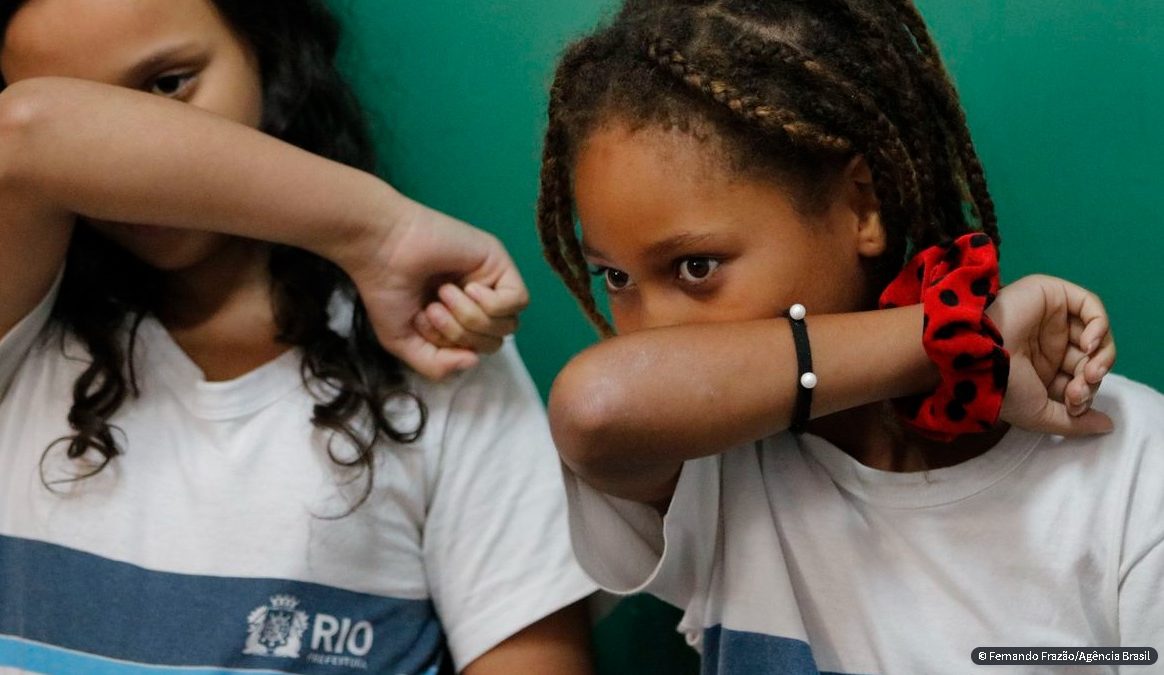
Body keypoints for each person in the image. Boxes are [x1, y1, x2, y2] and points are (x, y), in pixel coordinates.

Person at [536, 0, 1162, 673]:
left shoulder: (1129, 468)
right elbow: (596, 405)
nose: (649, 330)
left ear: (861, 203)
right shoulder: (707, 468)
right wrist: (951, 336)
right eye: (616, 277)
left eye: (696, 268)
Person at [0, 1, 595, 673]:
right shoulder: (22, 337)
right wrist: (380, 233)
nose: (118, 150)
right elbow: (27, 135)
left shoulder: (434, 352)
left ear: (268, 53)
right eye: (85, 110)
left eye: (169, 84)